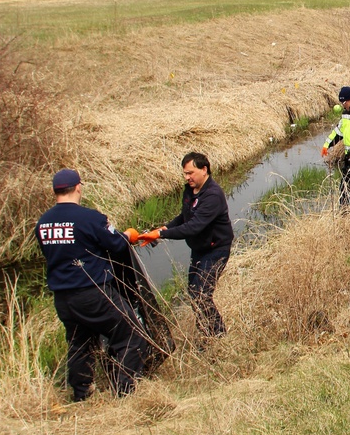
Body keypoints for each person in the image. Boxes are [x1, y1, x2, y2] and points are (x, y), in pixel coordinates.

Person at [36, 169, 148, 401]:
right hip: (93, 293)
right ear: (78, 187)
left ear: (55, 191)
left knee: (80, 342)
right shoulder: (90, 218)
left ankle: (81, 393)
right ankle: (125, 391)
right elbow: (116, 244)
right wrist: (128, 235)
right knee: (132, 333)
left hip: (63, 299)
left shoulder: (43, 223)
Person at [140, 152, 233, 340]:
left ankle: (219, 336)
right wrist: (165, 227)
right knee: (194, 293)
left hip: (216, 250)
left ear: (204, 169)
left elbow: (193, 226)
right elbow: (184, 217)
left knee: (201, 293)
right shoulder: (190, 191)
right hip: (199, 250)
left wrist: (161, 234)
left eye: (190, 173)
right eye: (185, 173)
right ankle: (207, 334)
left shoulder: (213, 195)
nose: (187, 177)